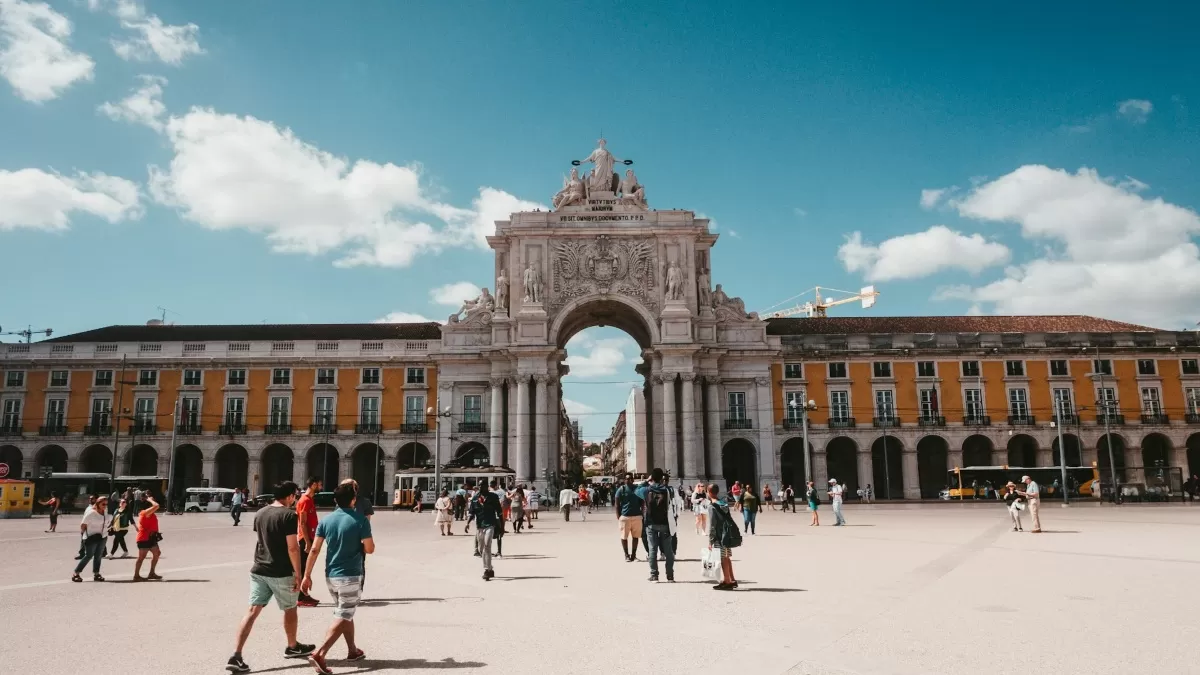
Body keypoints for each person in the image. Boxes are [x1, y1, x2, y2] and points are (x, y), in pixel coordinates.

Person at [225, 481, 316, 673]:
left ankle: (236, 654)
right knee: (290, 609)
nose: (296, 499)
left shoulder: (260, 513)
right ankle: (292, 647)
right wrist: (298, 574)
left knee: (252, 611)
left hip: (259, 569)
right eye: (295, 495)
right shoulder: (289, 515)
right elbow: (292, 547)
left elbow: (263, 539)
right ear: (290, 495)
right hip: (281, 571)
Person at [301, 481, 375, 674]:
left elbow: (315, 549)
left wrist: (306, 575)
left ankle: (352, 650)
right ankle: (320, 654)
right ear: (353, 500)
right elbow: (370, 548)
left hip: (331, 575)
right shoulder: (360, 520)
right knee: (343, 613)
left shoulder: (326, 521)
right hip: (350, 575)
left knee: (345, 611)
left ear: (335, 500)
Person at [636, 468, 675, 582]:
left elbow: (637, 490)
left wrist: (646, 481)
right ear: (662, 478)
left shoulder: (646, 490)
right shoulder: (668, 490)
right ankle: (670, 576)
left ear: (652, 478)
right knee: (668, 550)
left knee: (652, 549)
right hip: (665, 523)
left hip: (651, 523)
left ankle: (654, 576)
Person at [706, 483, 740, 590]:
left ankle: (727, 581)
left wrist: (711, 541)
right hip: (727, 534)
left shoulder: (712, 507)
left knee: (723, 558)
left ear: (709, 493)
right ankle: (732, 579)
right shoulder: (723, 503)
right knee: (727, 556)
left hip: (720, 536)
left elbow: (712, 525)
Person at [295, 477, 323, 607]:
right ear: (313, 485)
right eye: (319, 485)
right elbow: (302, 522)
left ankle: (303, 595)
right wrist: (307, 542)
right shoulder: (305, 500)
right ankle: (300, 597)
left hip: (309, 537)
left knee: (305, 568)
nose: (321, 487)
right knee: (303, 568)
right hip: (305, 539)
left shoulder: (309, 499)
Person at [72, 495, 110, 583]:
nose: (105, 506)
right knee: (89, 555)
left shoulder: (105, 512)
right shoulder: (91, 513)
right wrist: (85, 536)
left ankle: (96, 574)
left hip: (102, 537)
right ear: (98, 504)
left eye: (106, 504)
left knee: (98, 556)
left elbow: (106, 522)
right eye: (103, 504)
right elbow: (83, 525)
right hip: (91, 537)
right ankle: (76, 573)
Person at [470, 480, 503, 581]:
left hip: (490, 524)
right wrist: (467, 524)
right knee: (481, 549)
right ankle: (490, 567)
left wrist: (502, 527)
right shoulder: (475, 498)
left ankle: (487, 570)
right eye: (479, 485)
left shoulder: (493, 497)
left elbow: (499, 512)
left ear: (487, 486)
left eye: (482, 485)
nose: (480, 487)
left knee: (487, 546)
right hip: (480, 526)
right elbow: (472, 512)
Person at [613, 473, 644, 562]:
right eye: (627, 479)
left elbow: (642, 502)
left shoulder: (638, 489)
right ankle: (626, 555)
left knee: (636, 537)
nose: (629, 480)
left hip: (636, 516)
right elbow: (616, 504)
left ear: (633, 480)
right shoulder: (621, 489)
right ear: (624, 480)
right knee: (624, 537)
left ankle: (633, 555)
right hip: (625, 517)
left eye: (630, 478)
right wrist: (618, 516)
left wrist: (641, 513)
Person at [132, 492, 162, 581]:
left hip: (151, 537)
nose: (154, 501)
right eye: (152, 501)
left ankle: (151, 573)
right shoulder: (144, 513)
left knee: (157, 553)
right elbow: (157, 506)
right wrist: (150, 499)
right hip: (144, 538)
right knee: (141, 557)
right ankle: (136, 575)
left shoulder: (150, 513)